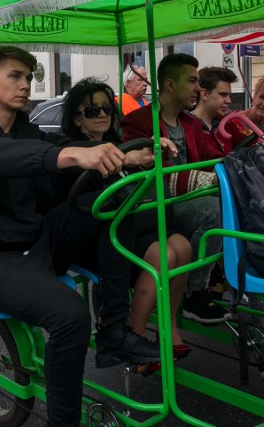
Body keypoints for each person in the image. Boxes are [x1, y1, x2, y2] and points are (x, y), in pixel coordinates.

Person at [0, 46, 161, 427]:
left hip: (38, 240)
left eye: (29, 78)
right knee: (71, 316)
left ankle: (115, 329)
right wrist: (71, 157)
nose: (25, 84)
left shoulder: (27, 130)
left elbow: (57, 146)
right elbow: (6, 155)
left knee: (116, 199)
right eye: (15, 76)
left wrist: (124, 156)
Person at [60, 78, 191, 358]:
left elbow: (134, 169)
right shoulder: (71, 151)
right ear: (77, 119)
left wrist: (146, 155)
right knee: (164, 255)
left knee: (183, 245)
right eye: (93, 110)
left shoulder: (117, 145)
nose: (103, 114)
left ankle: (169, 325)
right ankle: (135, 333)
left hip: (128, 227)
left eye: (107, 108)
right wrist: (131, 160)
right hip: (95, 238)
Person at [122, 53, 228, 324]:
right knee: (215, 212)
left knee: (236, 202)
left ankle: (231, 279)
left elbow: (211, 160)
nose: (198, 88)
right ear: (170, 85)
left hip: (186, 199)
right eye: (192, 81)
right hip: (155, 206)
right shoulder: (139, 122)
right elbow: (145, 177)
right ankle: (196, 292)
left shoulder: (191, 123)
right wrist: (208, 180)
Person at [189, 66, 238, 154]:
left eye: (229, 95)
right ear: (204, 94)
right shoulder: (187, 127)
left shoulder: (228, 125)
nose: (229, 101)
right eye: (223, 95)